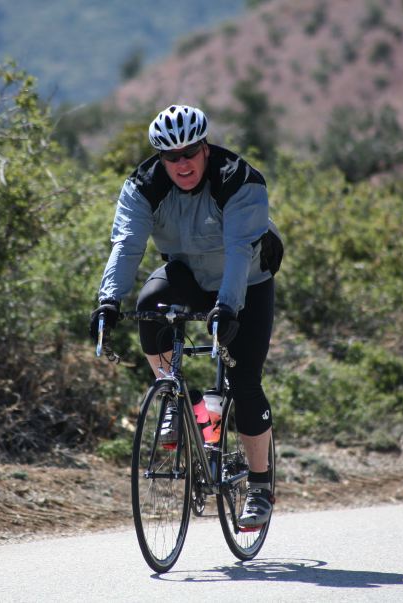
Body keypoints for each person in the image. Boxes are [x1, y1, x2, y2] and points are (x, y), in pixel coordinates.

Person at [89, 104, 283, 529]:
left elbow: (238, 251)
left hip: (247, 280)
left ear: (205, 148)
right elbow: (126, 245)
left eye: (190, 152)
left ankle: (260, 485)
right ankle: (186, 403)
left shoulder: (238, 180)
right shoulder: (143, 186)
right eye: (171, 156)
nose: (182, 163)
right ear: (160, 158)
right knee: (148, 308)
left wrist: (228, 308)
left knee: (245, 380)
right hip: (189, 274)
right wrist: (107, 301)